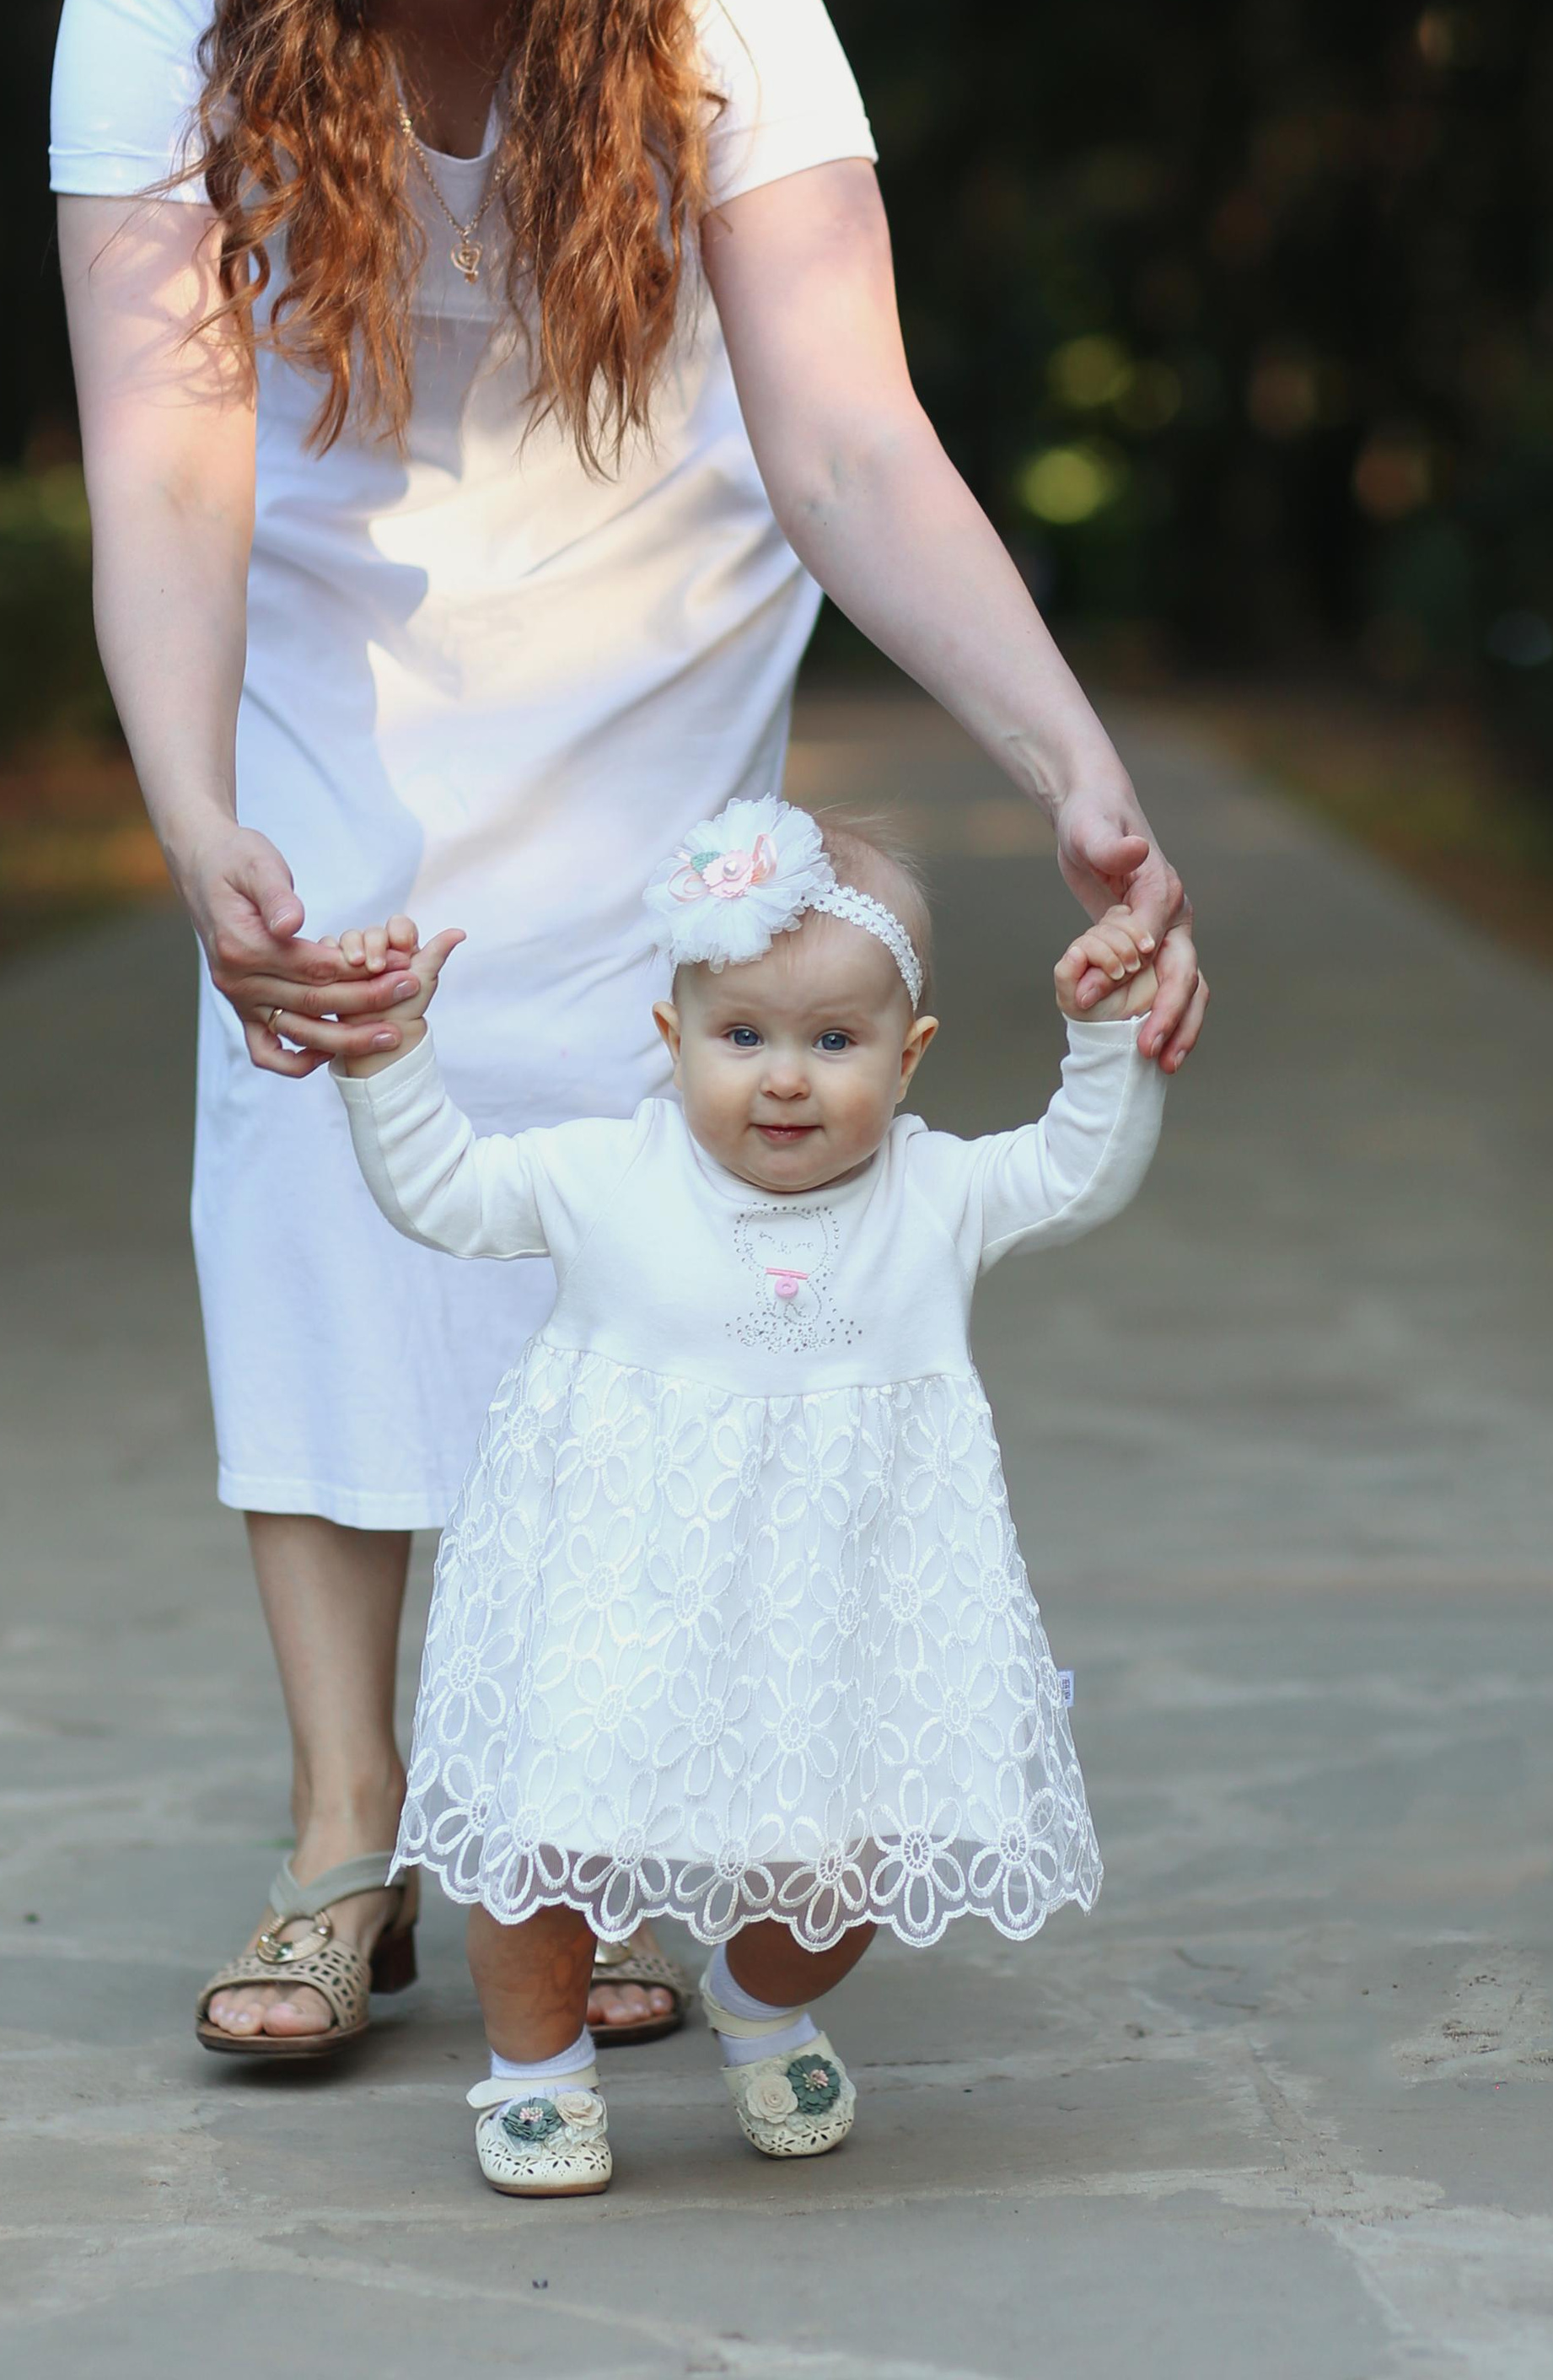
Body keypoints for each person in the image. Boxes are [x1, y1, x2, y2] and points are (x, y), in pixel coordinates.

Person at [51, 0, 1207, 2064]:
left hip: (662, 582)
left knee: (646, 1210)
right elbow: (167, 457)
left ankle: (595, 1816)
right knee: (324, 1150)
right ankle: (351, 1821)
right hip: (325, 598)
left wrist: (1071, 761)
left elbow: (848, 428)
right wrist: (190, 807)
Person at [326, 795, 1165, 2191]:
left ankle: (763, 1998)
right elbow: (444, 1195)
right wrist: (390, 1056)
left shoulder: (938, 1195)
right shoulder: (608, 1176)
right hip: (618, 1587)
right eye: (743, 1036)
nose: (786, 1078)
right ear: (673, 1039)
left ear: (910, 1059)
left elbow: (1076, 1170)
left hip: (830, 1609)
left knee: (849, 1870)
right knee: (548, 1852)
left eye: (835, 1042)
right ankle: (536, 2070)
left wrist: (1105, 1037)